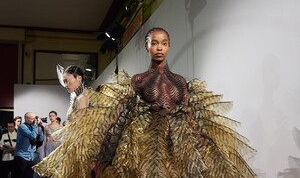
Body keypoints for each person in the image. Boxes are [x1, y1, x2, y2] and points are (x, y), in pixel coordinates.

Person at [33, 27, 256, 178]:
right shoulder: (139, 79)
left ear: (169, 46)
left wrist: (206, 143)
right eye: (154, 43)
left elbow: (189, 114)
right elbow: (116, 116)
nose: (159, 47)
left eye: (164, 43)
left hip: (179, 141)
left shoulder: (179, 81)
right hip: (148, 143)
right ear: (146, 47)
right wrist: (101, 150)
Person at [12, 112, 44, 178]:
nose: (35, 120)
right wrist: (35, 125)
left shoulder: (34, 128)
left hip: (31, 157)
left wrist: (39, 127)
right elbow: (32, 136)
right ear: (27, 119)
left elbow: (40, 139)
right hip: (21, 156)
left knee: (29, 176)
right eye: (33, 118)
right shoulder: (22, 127)